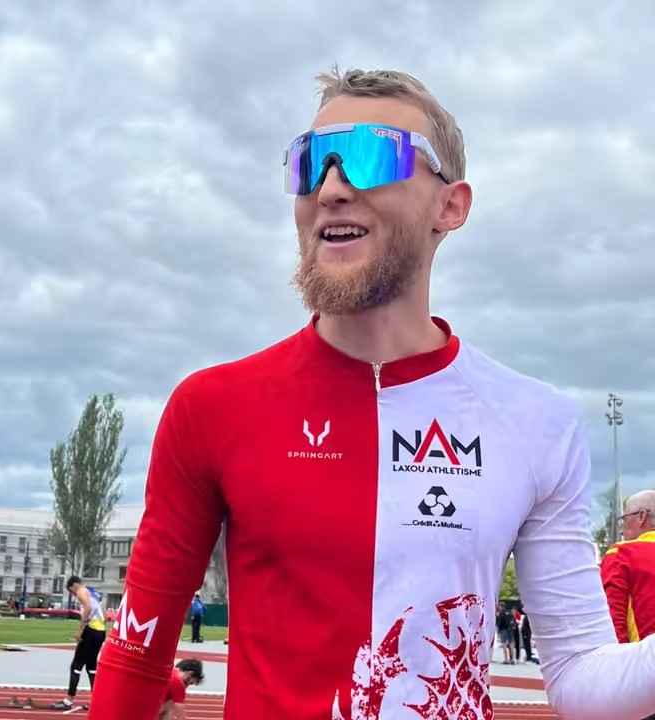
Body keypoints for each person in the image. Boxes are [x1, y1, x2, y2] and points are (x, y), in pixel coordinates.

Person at [88, 67, 655, 719]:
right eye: (310, 164)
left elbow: (583, 679)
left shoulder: (538, 423)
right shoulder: (211, 407)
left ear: (451, 206)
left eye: (370, 156)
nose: (331, 187)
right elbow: (136, 658)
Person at [600, 490, 655, 643]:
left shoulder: (621, 555)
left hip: (644, 655)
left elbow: (612, 623)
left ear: (642, 516)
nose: (621, 529)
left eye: (624, 519)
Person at [51, 576, 107, 711]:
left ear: (74, 585)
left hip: (91, 630)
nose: (74, 595)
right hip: (100, 631)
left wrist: (80, 629)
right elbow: (104, 614)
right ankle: (96, 700)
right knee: (91, 667)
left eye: (72, 591)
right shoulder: (94, 593)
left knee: (76, 665)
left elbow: (87, 607)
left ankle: (68, 701)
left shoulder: (82, 591)